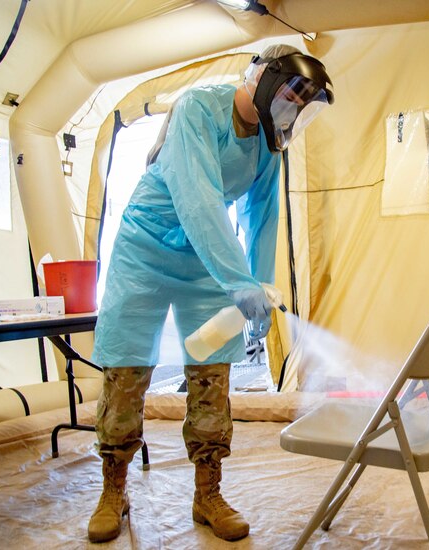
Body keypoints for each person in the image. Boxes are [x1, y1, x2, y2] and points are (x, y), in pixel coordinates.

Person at [86, 44, 333, 543]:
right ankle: (113, 489)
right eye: (290, 98)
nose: (292, 112)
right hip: (146, 250)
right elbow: (198, 198)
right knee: (127, 370)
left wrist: (259, 286)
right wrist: (236, 281)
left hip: (205, 260)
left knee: (211, 373)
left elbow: (261, 220)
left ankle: (208, 494)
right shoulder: (199, 109)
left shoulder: (270, 142)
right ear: (264, 83)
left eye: (299, 106)